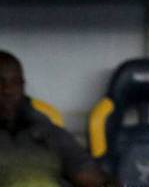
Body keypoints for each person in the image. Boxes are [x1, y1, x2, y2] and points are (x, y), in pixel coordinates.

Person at [0, 51, 111, 187]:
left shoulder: (48, 131)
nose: (7, 90)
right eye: (0, 82)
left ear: (23, 86)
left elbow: (91, 177)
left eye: (15, 82)